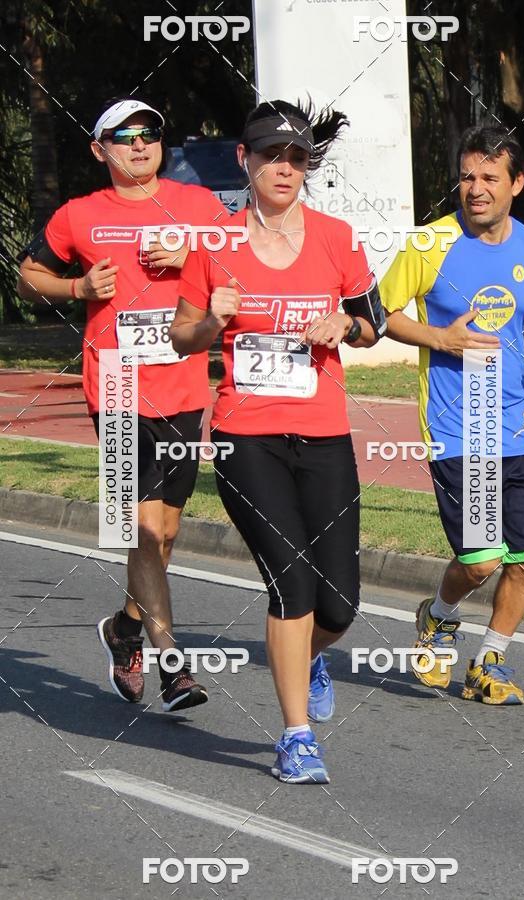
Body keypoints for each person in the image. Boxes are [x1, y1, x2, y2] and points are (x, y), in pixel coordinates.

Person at [170, 99, 386, 782]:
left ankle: (309, 654)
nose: (284, 168)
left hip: (323, 434)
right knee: (291, 584)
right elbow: (181, 336)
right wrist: (211, 324)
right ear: (247, 160)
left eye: (296, 158)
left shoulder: (336, 238)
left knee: (340, 604)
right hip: (245, 436)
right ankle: (296, 737)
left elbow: (373, 323)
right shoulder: (215, 246)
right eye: (271, 156)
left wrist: (343, 328)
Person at [17, 97, 227, 712]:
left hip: (184, 388)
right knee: (141, 529)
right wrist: (76, 286)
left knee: (164, 534)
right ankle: (174, 666)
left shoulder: (200, 207)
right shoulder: (79, 216)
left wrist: (194, 258)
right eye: (124, 136)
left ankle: (125, 628)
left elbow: (240, 266)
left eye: (150, 134)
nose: (139, 144)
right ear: (98, 148)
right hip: (115, 386)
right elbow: (29, 274)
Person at [380, 125, 524, 705]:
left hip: (518, 422)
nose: (476, 189)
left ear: (516, 183)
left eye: (490, 178)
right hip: (455, 424)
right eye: (468, 177)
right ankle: (438, 616)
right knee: (483, 559)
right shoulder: (428, 244)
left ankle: (489, 662)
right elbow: (379, 313)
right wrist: (439, 338)